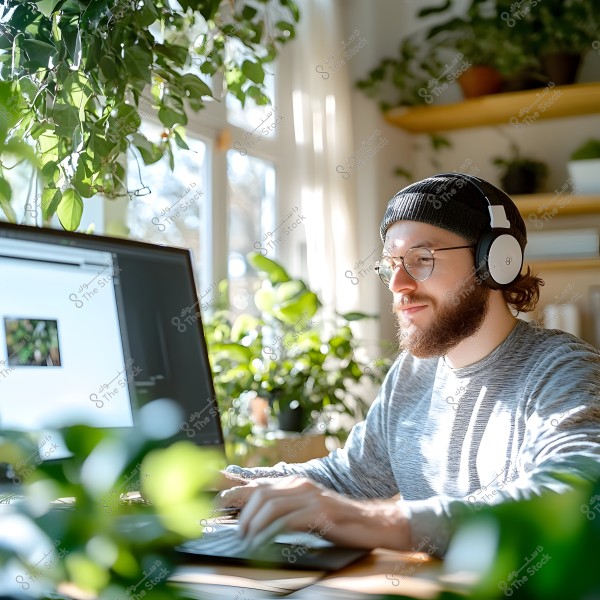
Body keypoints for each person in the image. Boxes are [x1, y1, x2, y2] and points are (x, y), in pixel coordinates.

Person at [219, 173, 600, 556]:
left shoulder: (562, 370)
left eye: (421, 259)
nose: (398, 283)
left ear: (495, 263)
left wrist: (377, 522)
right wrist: (226, 484)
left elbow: (570, 498)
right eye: (391, 265)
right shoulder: (412, 373)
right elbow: (347, 477)